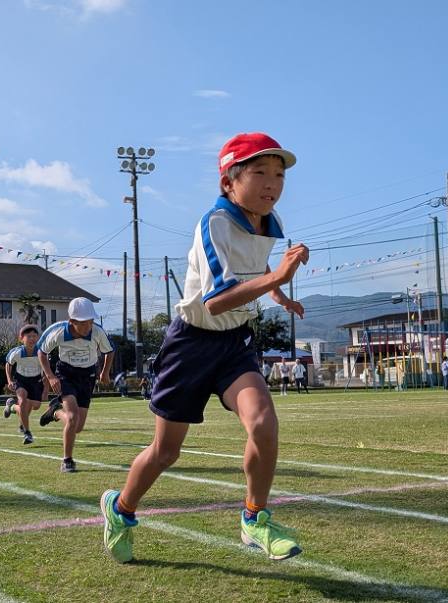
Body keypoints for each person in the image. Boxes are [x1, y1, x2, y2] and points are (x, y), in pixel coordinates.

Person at [100, 132, 307, 563]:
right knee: (166, 452)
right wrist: (277, 281)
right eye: (259, 172)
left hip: (234, 343)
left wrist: (278, 296)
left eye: (279, 174)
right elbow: (214, 302)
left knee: (264, 424)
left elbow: (253, 265)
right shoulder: (215, 221)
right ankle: (120, 510)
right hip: (191, 343)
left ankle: (255, 518)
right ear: (229, 182)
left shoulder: (269, 222)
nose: (272, 183)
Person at [37, 297, 114, 473]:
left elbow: (109, 351)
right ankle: (67, 460)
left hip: (88, 376)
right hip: (66, 374)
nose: (89, 326)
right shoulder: (58, 332)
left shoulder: (96, 332)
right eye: (84, 323)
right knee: (72, 418)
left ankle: (55, 412)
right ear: (72, 321)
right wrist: (50, 377)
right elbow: (42, 352)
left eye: (91, 321)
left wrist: (105, 372)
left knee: (77, 427)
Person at [3, 325, 44, 445]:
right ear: (22, 338)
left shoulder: (41, 351)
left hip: (36, 380)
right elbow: (8, 364)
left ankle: (11, 407)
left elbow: (45, 366)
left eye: (34, 336)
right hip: (21, 380)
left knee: (35, 405)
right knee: (23, 401)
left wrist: (46, 384)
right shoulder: (17, 352)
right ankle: (27, 433)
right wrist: (10, 380)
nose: (32, 339)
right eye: (29, 336)